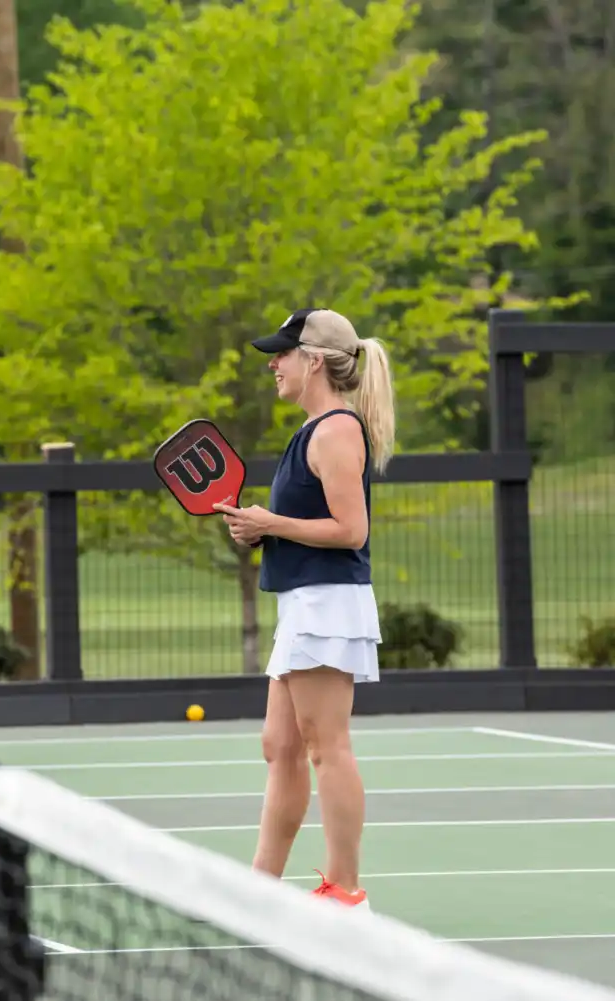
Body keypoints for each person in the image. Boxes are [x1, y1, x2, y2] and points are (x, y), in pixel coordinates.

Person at [213, 308, 395, 911]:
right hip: (303, 604)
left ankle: (344, 893)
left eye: (283, 354)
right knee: (281, 747)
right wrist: (260, 529)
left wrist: (270, 522)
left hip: (327, 604)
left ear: (313, 361)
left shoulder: (337, 430)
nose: (274, 364)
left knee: (326, 747)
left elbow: (351, 530)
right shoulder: (311, 430)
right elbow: (308, 524)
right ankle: (259, 891)